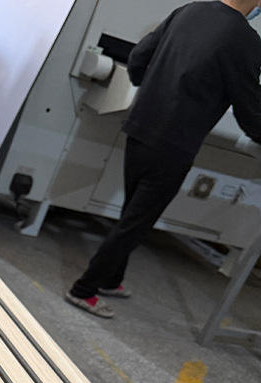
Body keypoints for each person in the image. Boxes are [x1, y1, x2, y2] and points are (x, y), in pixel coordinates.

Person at [66, 0, 261, 318]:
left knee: (132, 212)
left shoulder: (190, 10)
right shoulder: (246, 40)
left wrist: (153, 88)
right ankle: (83, 289)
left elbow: (139, 57)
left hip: (141, 125)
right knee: (135, 223)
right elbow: (249, 109)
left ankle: (111, 279)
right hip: (174, 143)